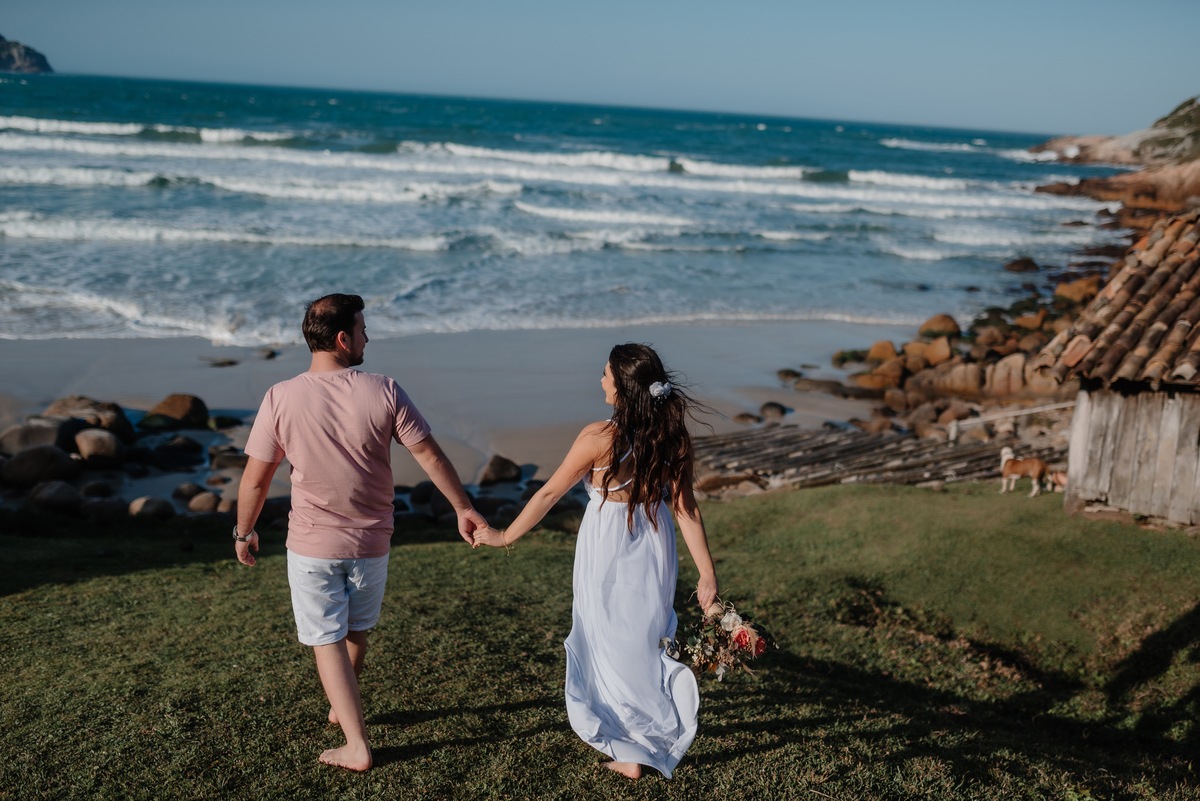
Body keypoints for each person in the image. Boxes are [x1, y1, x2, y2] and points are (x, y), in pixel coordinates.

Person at [234, 293, 486, 772]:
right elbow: (429, 456)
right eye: (364, 329)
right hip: (372, 542)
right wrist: (464, 508)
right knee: (354, 632)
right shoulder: (384, 389)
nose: (369, 337)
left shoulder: (280, 397)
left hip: (312, 546)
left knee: (326, 639)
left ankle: (357, 745)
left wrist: (243, 532)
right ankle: (341, 705)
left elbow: (256, 478)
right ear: (344, 338)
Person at [473, 343, 719, 780]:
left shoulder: (598, 437)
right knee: (644, 636)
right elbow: (685, 509)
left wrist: (504, 536)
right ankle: (640, 735)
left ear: (623, 387)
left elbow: (549, 493)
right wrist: (706, 575)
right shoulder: (672, 438)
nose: (600, 381)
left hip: (608, 543)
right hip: (655, 543)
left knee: (606, 638)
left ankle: (629, 749)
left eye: (606, 374)